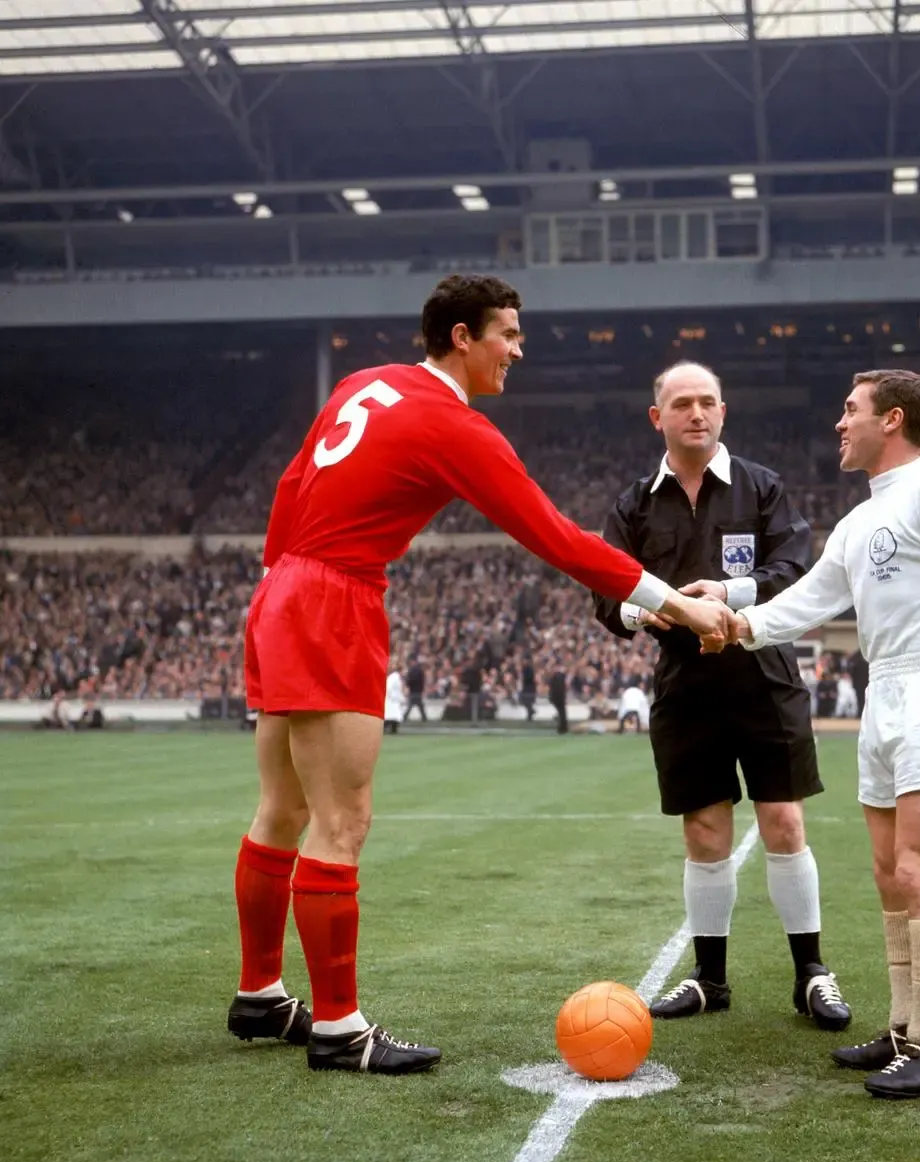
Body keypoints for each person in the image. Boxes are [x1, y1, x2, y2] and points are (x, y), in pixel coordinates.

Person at [226, 274, 728, 1077]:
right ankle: (338, 1028)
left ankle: (259, 993)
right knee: (341, 822)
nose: (517, 351)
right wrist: (678, 604)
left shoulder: (365, 381)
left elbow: (291, 484)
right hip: (334, 596)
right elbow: (556, 537)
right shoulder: (453, 425)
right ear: (462, 336)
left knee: (280, 807)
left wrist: (278, 584)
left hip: (282, 584)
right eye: (508, 335)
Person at [713, 369, 920, 1098]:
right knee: (887, 872)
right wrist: (738, 623)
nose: (839, 425)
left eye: (851, 411)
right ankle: (904, 1025)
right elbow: (811, 599)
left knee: (919, 870)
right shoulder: (858, 521)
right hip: (887, 690)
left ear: (894, 419)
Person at [593, 361, 851, 1031]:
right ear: (659, 418)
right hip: (684, 685)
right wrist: (642, 612)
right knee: (704, 832)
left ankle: (812, 972)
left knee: (784, 822)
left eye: (708, 402)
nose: (696, 413)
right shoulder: (632, 505)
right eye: (682, 403)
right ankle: (711, 978)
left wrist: (729, 594)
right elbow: (605, 588)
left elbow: (795, 567)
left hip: (764, 674)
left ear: (723, 413)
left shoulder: (763, 487)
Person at [384, 663, 405, 735]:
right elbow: (388, 687)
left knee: (394, 716)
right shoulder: (394, 677)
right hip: (391, 700)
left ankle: (393, 730)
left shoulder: (396, 677)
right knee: (392, 716)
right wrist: (393, 697)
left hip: (394, 700)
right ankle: (391, 730)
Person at [547, 668, 569, 734]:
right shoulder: (560, 678)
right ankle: (563, 727)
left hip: (557, 698)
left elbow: (551, 689)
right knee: (562, 713)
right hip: (560, 698)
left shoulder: (553, 679)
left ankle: (562, 727)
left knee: (561, 713)